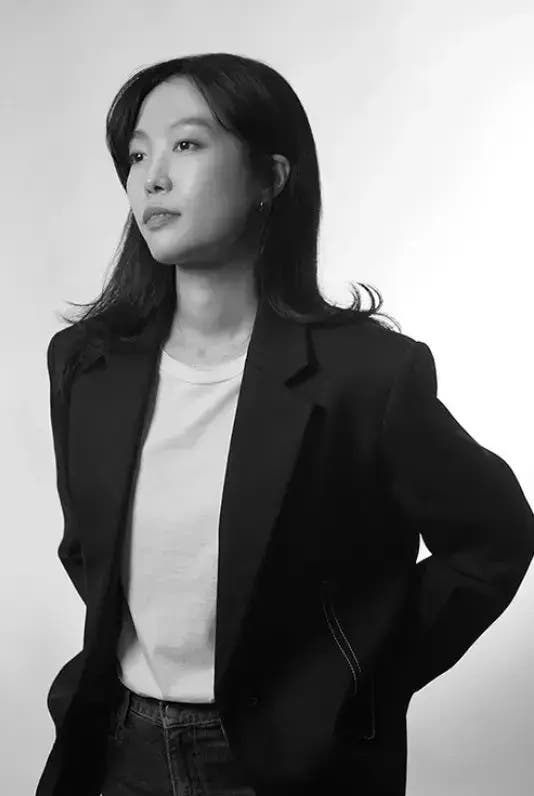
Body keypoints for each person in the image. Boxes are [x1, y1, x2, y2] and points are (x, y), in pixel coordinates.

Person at [37, 52, 534, 796]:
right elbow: (89, 551)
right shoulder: (85, 363)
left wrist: (354, 672)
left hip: (287, 764)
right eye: (137, 154)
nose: (151, 177)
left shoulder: (367, 375)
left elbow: (494, 539)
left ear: (269, 178)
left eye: (186, 144)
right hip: (115, 748)